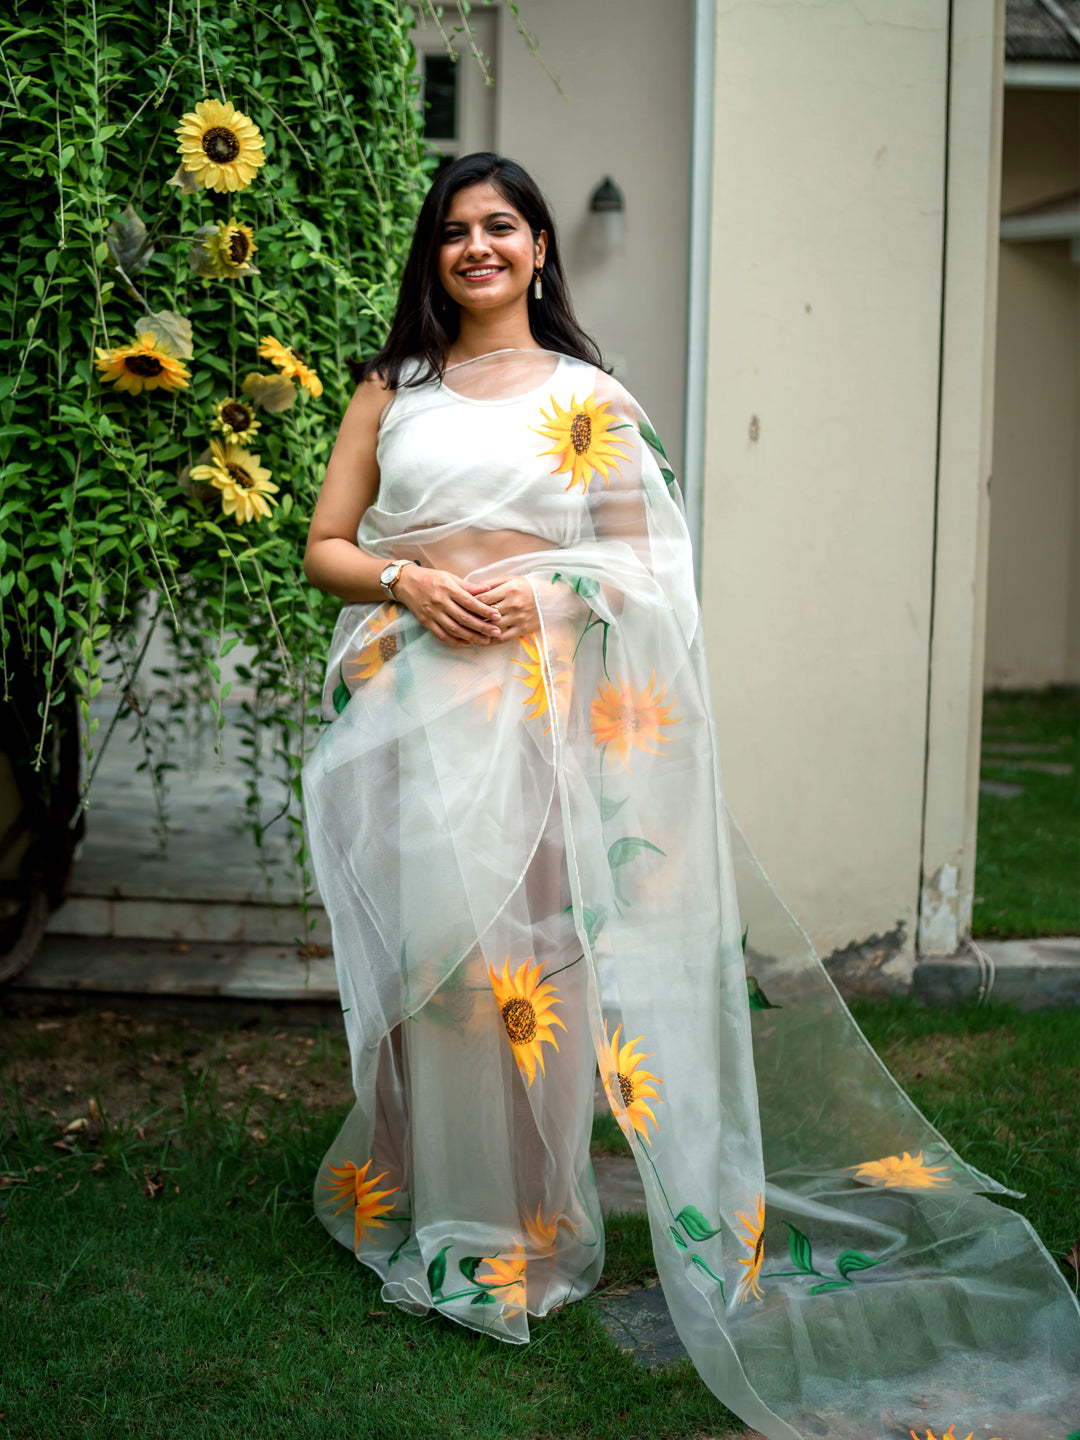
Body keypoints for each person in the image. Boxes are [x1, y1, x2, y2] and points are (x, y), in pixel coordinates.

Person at [301, 153, 1080, 1440]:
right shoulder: (394, 388)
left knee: (531, 971)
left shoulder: (590, 398)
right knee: (441, 969)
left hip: (543, 719)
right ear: (432, 255)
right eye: (453, 231)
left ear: (540, 248)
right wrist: (410, 583)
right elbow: (328, 544)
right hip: (413, 719)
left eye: (501, 226)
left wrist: (547, 595)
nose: (477, 247)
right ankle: (444, 1209)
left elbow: (652, 566)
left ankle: (532, 1225)